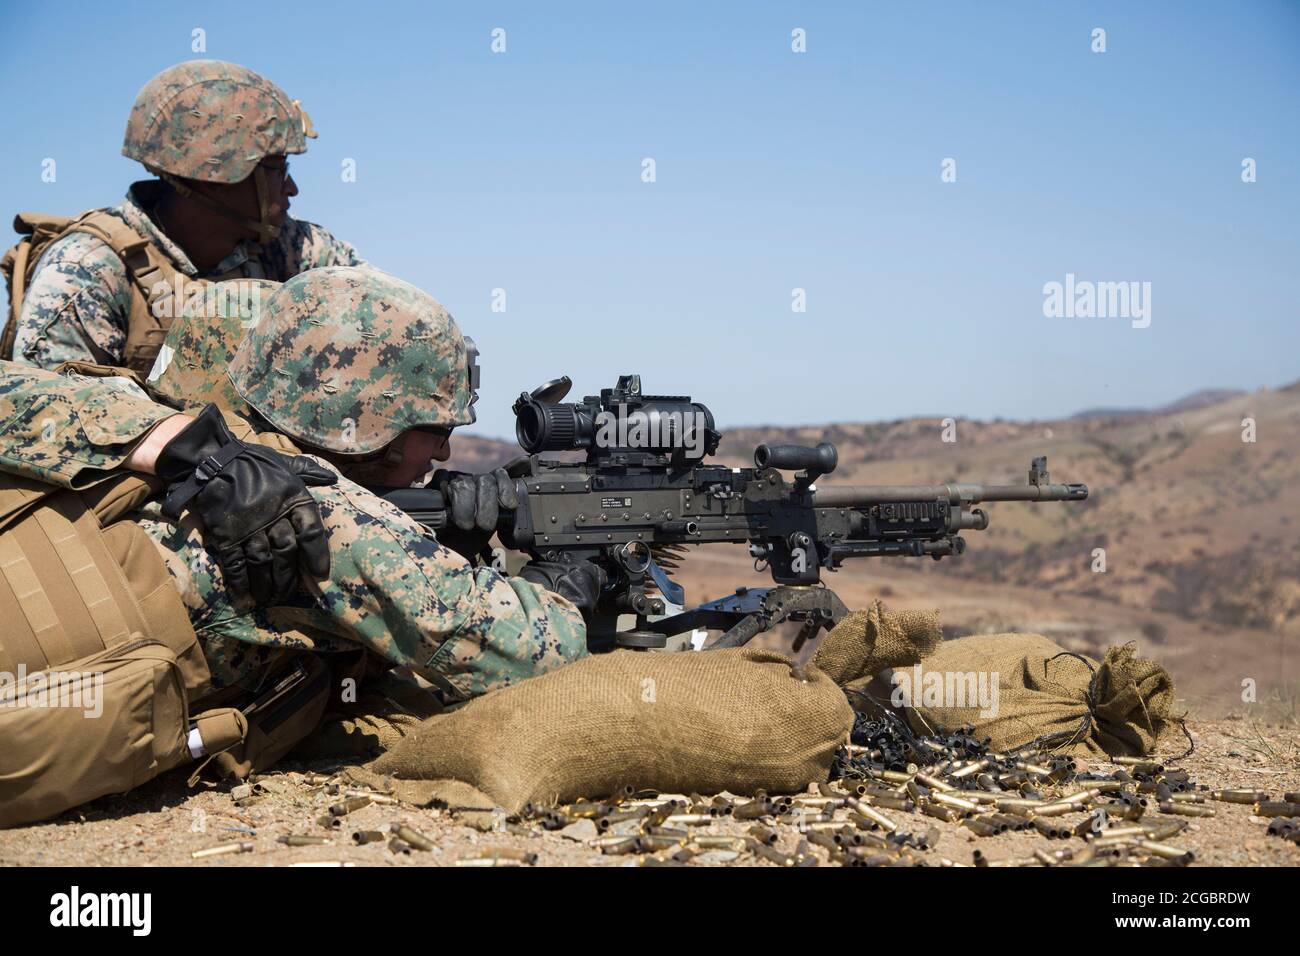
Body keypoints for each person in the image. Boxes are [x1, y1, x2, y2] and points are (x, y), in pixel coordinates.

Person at [0, 267, 599, 711]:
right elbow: (536, 657)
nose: (443, 452)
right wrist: (566, 576)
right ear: (366, 418)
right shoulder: (323, 514)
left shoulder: (162, 448)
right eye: (436, 429)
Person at [2, 60, 364, 375]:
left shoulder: (289, 249)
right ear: (219, 177)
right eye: (276, 169)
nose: (292, 188)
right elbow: (52, 419)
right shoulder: (87, 270)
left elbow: (390, 319)